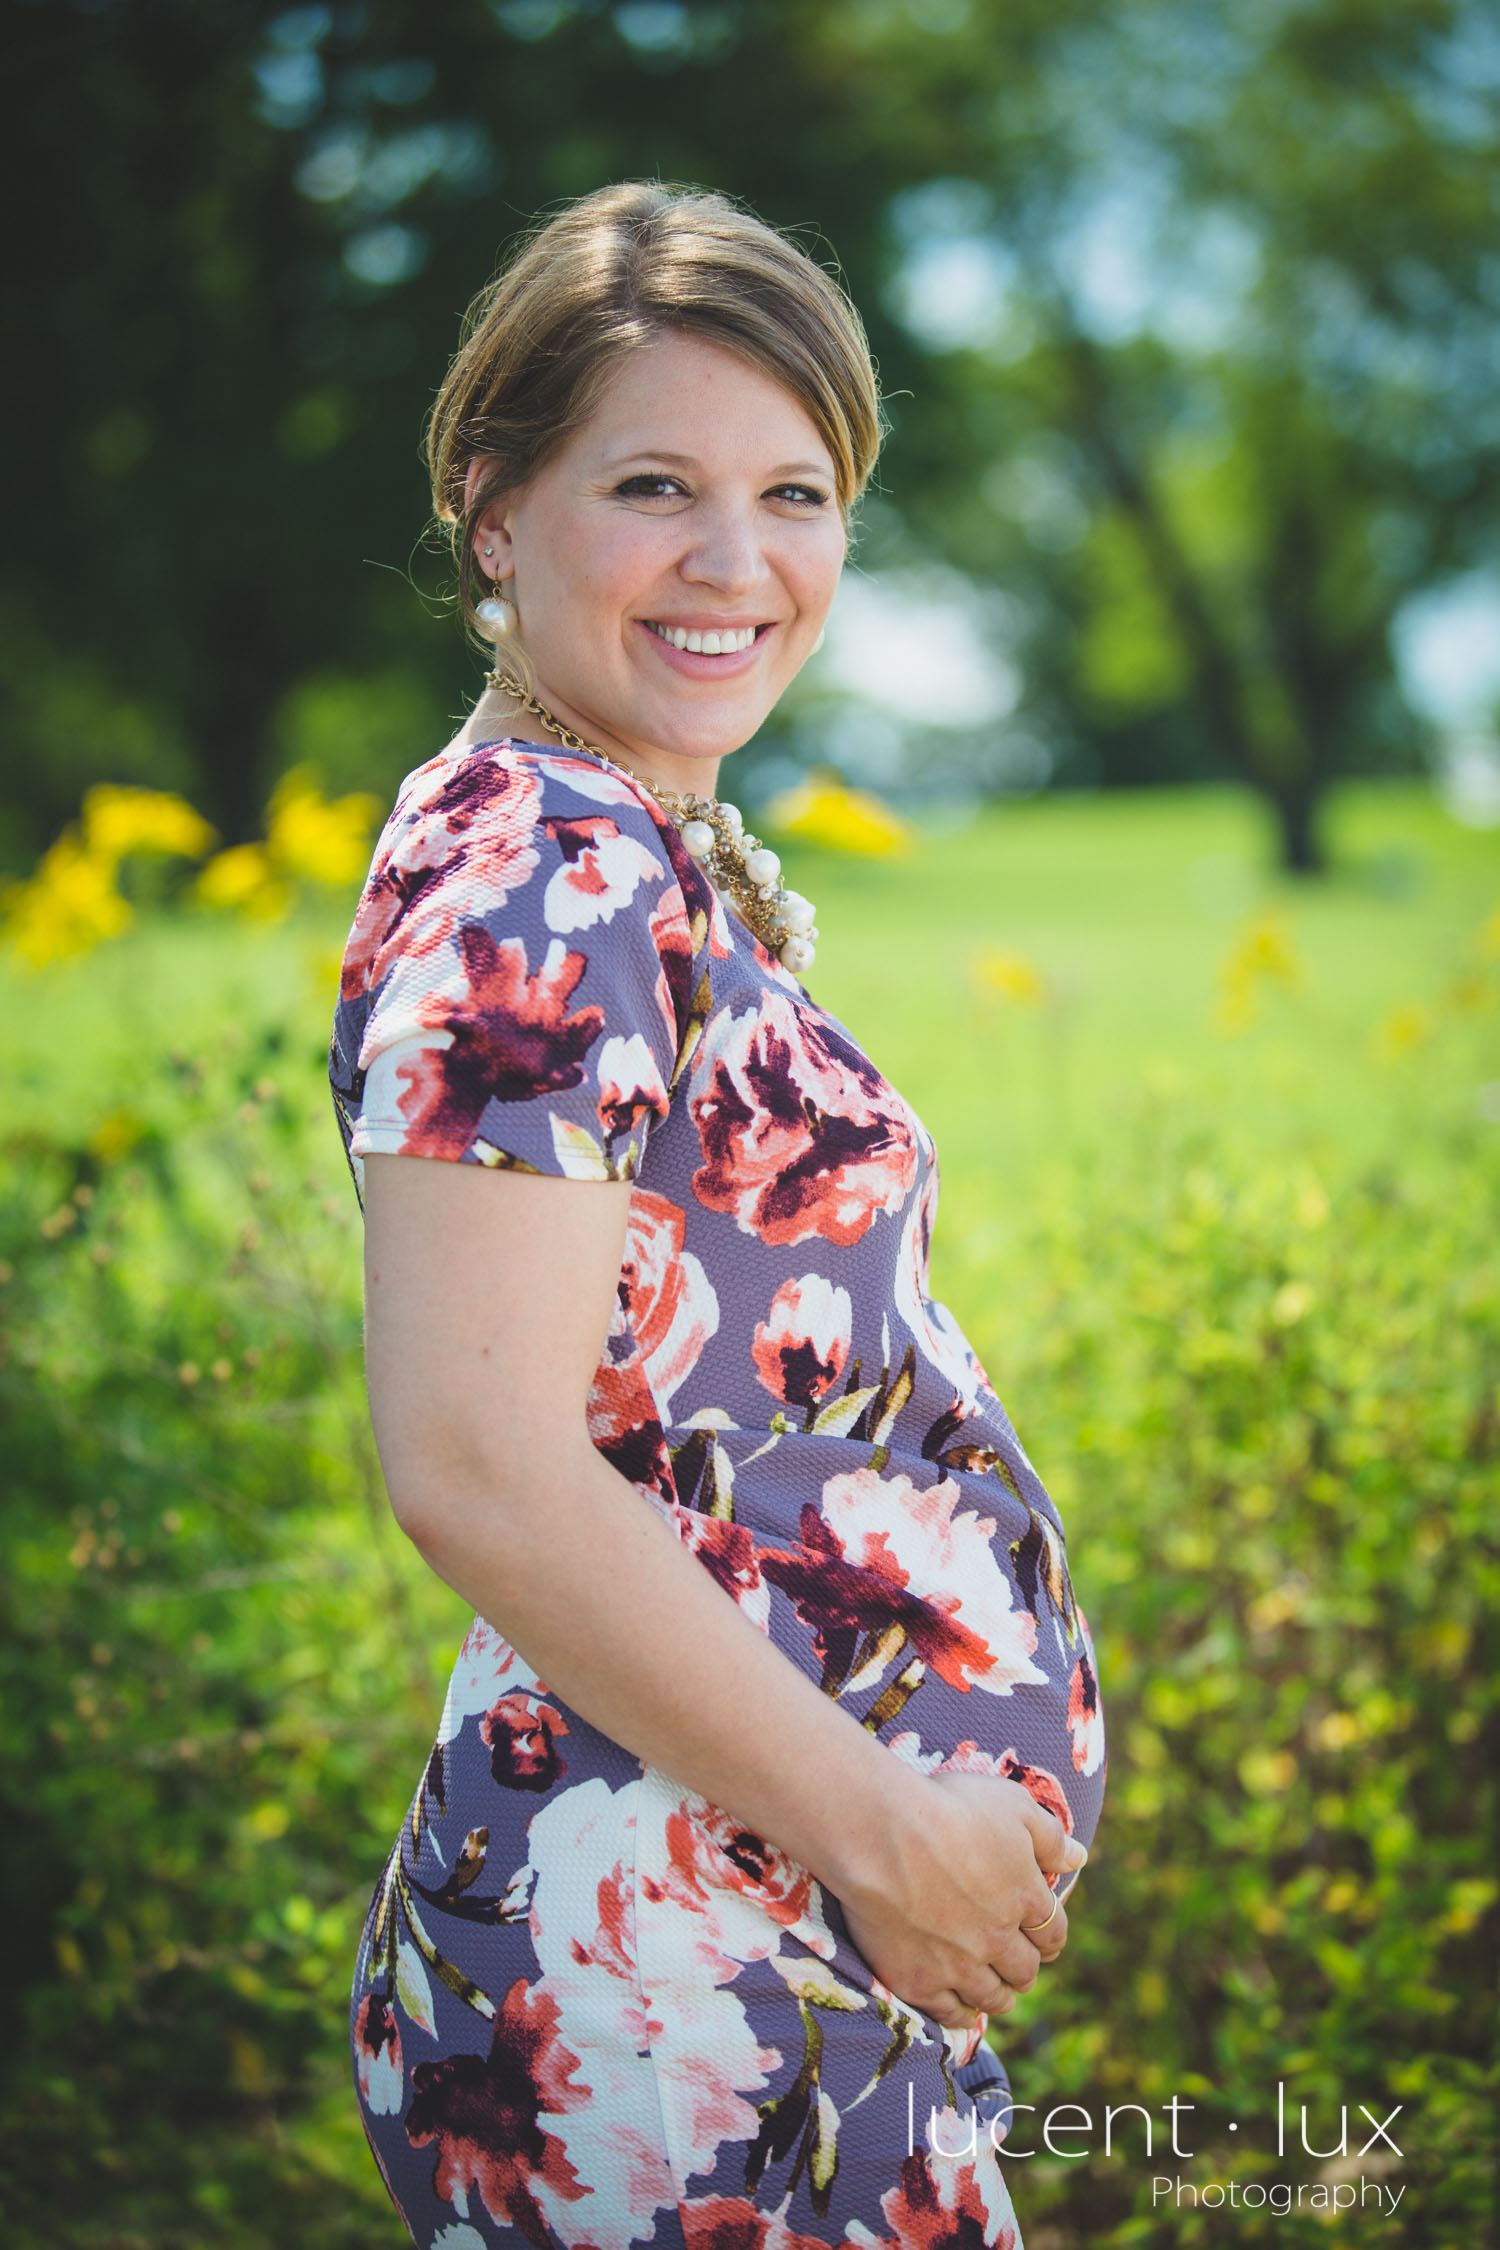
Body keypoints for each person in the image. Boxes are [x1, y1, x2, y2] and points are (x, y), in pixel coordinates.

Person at [329, 180, 1106, 2250]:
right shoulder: (541, 866)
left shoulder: (605, 845)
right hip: (673, 1952)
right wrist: (889, 1833)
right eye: (656, 482)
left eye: (800, 495)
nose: (739, 565)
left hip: (739, 1912)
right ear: (495, 504)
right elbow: (474, 1462)